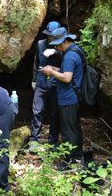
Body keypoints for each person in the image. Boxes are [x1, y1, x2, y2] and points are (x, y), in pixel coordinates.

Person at [41, 27, 84, 170]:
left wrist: (51, 73)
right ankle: (78, 157)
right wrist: (53, 69)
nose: (57, 48)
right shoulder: (76, 50)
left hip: (67, 99)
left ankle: (69, 162)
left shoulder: (69, 56)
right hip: (73, 98)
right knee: (75, 128)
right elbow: (67, 71)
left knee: (68, 132)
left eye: (58, 44)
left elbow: (66, 78)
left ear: (64, 42)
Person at [29, 21, 62, 151]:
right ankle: (34, 140)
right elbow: (36, 62)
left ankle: (53, 141)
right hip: (41, 83)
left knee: (55, 113)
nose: (51, 38)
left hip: (56, 84)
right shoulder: (40, 44)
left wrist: (55, 52)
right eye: (49, 35)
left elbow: (66, 59)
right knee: (37, 111)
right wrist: (34, 80)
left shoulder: (61, 46)